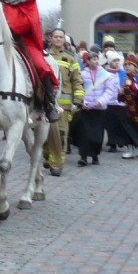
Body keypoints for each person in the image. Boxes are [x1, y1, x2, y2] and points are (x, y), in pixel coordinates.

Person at [44, 28, 84, 174]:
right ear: (51, 39)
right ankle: (47, 156)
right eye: (56, 37)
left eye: (61, 37)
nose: (58, 39)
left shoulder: (71, 58)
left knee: (60, 135)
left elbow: (77, 80)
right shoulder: (44, 56)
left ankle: (57, 165)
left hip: (63, 105)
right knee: (43, 135)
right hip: (44, 102)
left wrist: (78, 99)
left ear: (64, 39)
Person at [76, 50, 117, 166]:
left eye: (97, 59)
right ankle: (83, 156)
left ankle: (95, 156)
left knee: (97, 134)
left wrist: (100, 101)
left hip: (99, 109)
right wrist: (83, 102)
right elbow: (79, 89)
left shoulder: (105, 74)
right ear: (87, 61)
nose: (96, 61)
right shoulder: (82, 74)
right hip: (87, 108)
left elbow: (109, 90)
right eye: (93, 59)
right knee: (84, 133)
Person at [103, 51, 127, 153]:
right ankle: (112, 144)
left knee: (119, 123)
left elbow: (122, 85)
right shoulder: (105, 73)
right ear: (109, 62)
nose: (116, 63)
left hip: (118, 102)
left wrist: (122, 90)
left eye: (118, 60)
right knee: (110, 124)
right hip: (108, 102)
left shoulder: (121, 72)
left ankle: (119, 140)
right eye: (114, 61)